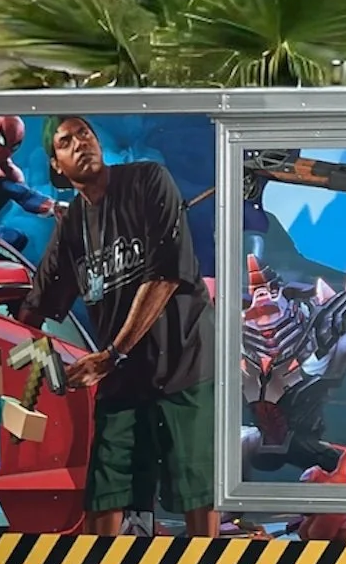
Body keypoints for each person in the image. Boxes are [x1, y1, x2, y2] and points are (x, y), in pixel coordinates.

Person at [26, 115, 216, 538]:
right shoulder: (73, 224)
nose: (80, 144)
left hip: (184, 363)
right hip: (123, 377)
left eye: (84, 134)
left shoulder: (148, 180)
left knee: (196, 492)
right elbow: (35, 305)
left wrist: (110, 356)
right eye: (65, 141)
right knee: (105, 494)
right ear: (56, 164)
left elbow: (165, 275)